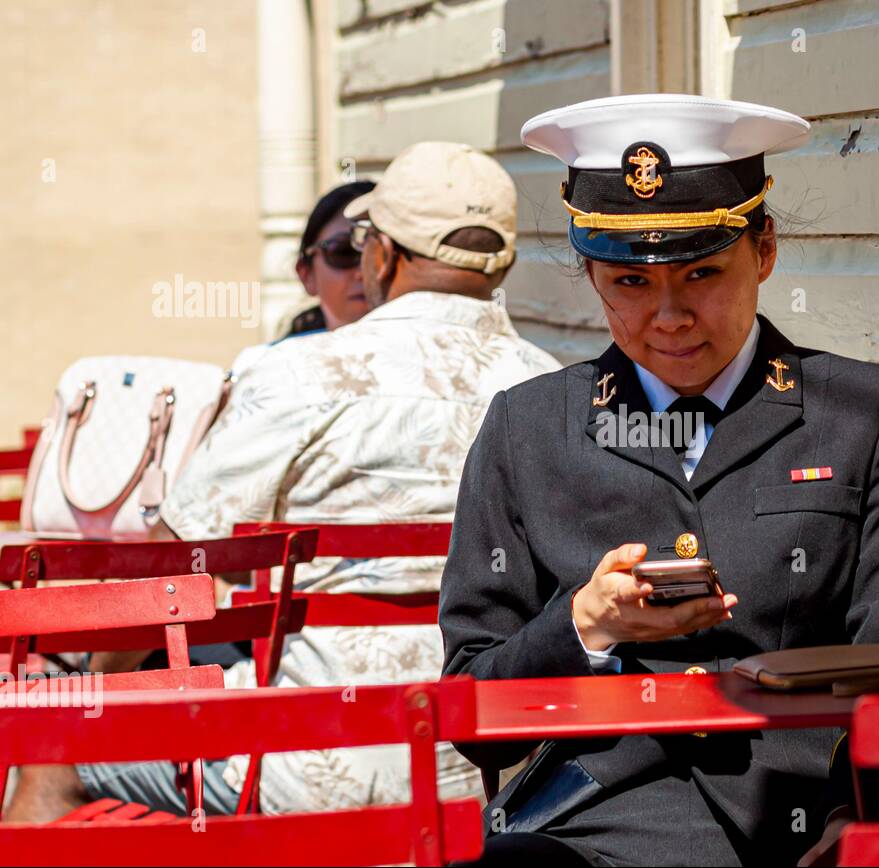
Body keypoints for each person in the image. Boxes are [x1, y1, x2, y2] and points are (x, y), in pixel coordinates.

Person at [439, 94, 879, 867]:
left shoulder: (864, 414)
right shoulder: (527, 428)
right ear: (590, 276)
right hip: (585, 830)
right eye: (629, 283)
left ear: (765, 249)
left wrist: (863, 822)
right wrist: (584, 626)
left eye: (703, 272)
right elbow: (469, 710)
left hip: (800, 829)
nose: (671, 315)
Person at [6, 142, 561, 822]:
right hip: (494, 768)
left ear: (383, 255)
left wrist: (97, 683)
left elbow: (174, 568)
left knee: (53, 745)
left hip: (311, 755)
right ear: (502, 264)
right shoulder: (551, 388)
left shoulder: (300, 374)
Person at [228, 180, 376, 379]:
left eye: (381, 256)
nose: (363, 272)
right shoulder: (262, 368)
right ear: (306, 274)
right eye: (343, 252)